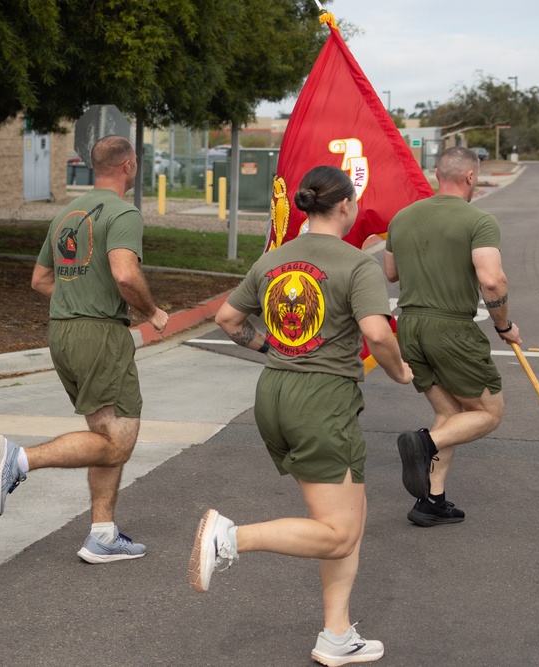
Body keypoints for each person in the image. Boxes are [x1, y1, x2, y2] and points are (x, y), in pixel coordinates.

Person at [188, 166, 413, 666]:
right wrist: (400, 373)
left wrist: (271, 345)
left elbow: (228, 319)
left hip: (274, 391)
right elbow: (377, 333)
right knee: (337, 532)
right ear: (347, 206)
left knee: (351, 517)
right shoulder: (358, 264)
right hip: (323, 402)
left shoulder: (274, 258)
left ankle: (337, 634)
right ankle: (231, 538)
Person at [0, 134, 169, 563]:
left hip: (63, 333)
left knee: (105, 437)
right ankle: (20, 459)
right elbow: (125, 275)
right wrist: (154, 313)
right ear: (129, 165)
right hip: (100, 335)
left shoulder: (67, 213)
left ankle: (102, 533)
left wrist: (77, 300)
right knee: (119, 444)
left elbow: (40, 280)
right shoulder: (123, 213)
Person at [383, 146, 521, 527]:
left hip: (409, 327)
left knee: (449, 413)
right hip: (451, 330)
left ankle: (432, 500)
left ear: (437, 174)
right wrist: (504, 325)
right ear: (471, 177)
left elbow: (391, 272)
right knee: (489, 413)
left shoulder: (402, 217)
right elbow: (492, 280)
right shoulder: (479, 220)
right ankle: (425, 443)